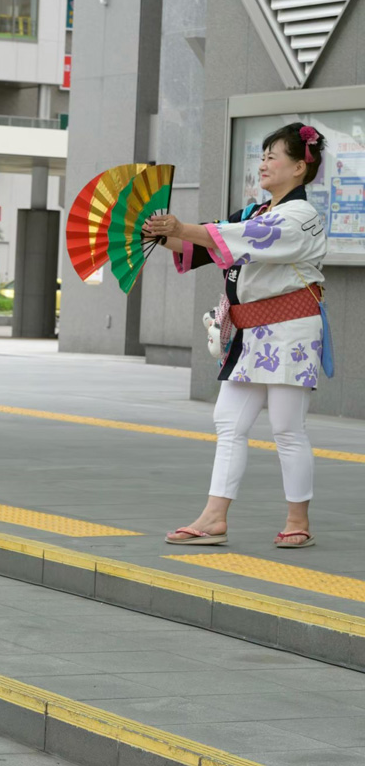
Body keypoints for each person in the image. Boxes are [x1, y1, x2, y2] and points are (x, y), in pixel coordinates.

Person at [148, 122, 330, 550]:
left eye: (273, 156)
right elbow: (209, 242)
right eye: (262, 156)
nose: (263, 163)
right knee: (228, 422)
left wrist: (182, 227)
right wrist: (159, 232)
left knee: (287, 427)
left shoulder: (302, 216)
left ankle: (297, 519)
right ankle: (213, 518)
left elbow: (238, 239)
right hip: (251, 335)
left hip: (290, 330)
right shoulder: (255, 211)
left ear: (300, 168)